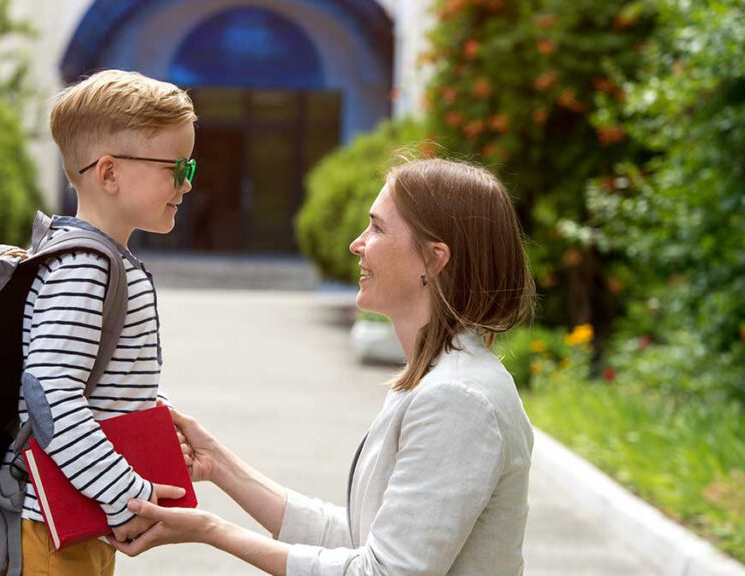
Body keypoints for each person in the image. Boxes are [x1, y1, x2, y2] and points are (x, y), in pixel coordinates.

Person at [108, 158, 537, 575]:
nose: (357, 243)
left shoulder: (456, 400)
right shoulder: (438, 381)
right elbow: (357, 539)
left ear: (434, 259)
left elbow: (381, 572)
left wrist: (212, 530)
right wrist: (219, 465)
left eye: (378, 227)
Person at [15, 69, 196, 576]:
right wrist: (129, 496)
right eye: (175, 168)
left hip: (79, 523)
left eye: (190, 167)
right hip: (51, 535)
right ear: (110, 173)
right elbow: (51, 396)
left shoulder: (105, 262)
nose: (185, 184)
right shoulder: (83, 267)